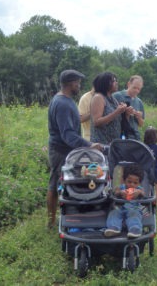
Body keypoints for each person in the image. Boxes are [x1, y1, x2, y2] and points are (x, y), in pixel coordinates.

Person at [47, 69, 102, 229]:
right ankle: (51, 222)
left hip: (63, 149)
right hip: (60, 150)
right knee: (55, 184)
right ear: (71, 83)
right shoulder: (63, 103)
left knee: (59, 183)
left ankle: (60, 217)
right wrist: (89, 145)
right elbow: (68, 135)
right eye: (78, 82)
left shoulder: (63, 100)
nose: (79, 85)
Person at [104, 164, 145, 238]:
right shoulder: (121, 187)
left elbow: (143, 193)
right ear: (124, 180)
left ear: (139, 183)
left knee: (134, 215)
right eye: (129, 181)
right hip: (120, 207)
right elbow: (116, 192)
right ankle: (114, 228)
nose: (132, 184)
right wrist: (120, 192)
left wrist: (138, 192)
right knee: (114, 213)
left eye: (135, 183)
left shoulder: (139, 189)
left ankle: (135, 229)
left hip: (133, 208)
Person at [90, 72, 132, 144]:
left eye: (116, 81)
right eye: (113, 81)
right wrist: (117, 112)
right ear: (105, 83)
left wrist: (126, 113)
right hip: (101, 145)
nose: (116, 83)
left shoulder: (113, 99)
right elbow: (96, 122)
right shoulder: (98, 97)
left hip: (113, 144)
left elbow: (118, 120)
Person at [113, 75, 145, 140]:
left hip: (135, 137)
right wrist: (124, 113)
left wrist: (139, 117)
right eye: (134, 88)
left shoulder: (139, 102)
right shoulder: (117, 96)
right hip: (120, 135)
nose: (136, 91)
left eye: (139, 89)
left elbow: (141, 124)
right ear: (128, 84)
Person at [143, 126, 157, 207]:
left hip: (146, 172)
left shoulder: (143, 147)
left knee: (147, 187)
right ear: (155, 137)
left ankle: (148, 203)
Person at [78, 75, 101, 141]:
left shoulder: (103, 96)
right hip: (89, 138)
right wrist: (93, 112)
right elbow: (80, 119)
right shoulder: (85, 98)